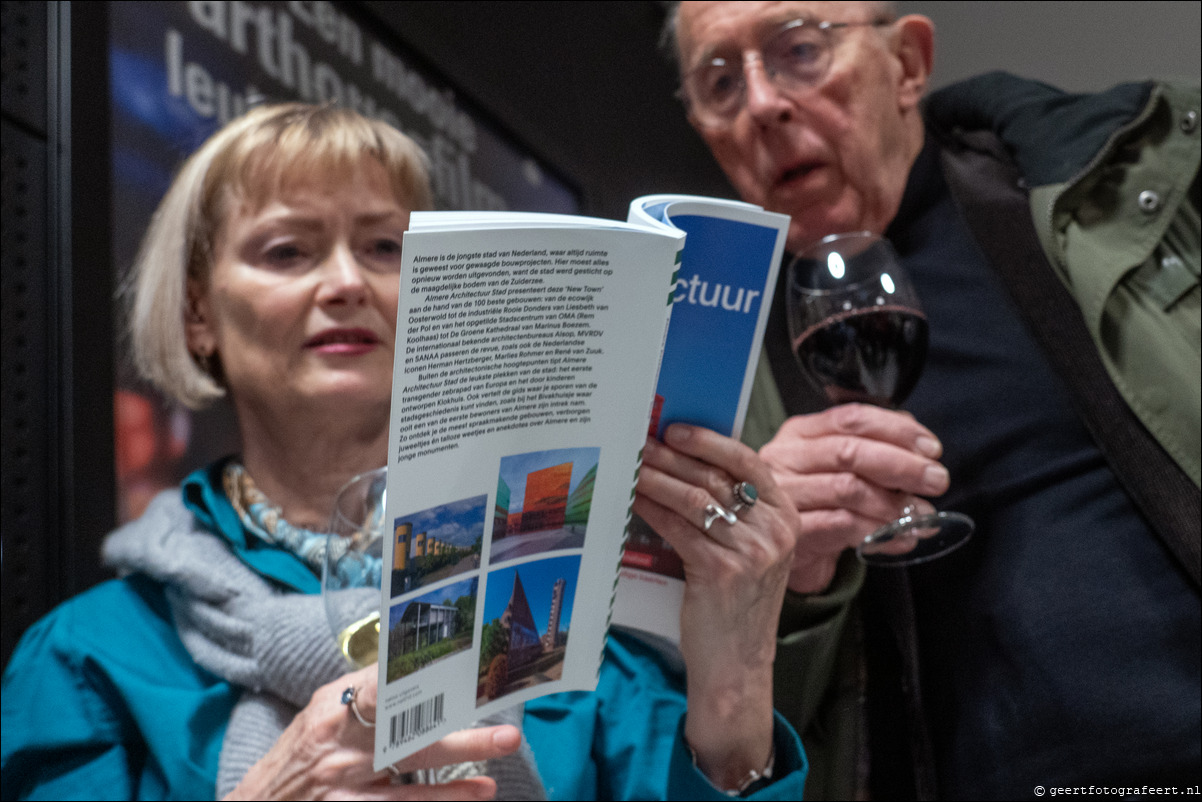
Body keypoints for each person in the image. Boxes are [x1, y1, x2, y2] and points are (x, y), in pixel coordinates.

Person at [0, 103, 809, 800]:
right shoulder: (87, 659)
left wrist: (737, 680)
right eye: (288, 250)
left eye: (387, 248)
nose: (347, 282)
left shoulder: (566, 605)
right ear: (197, 314)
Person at [666, 1, 1200, 799]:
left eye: (798, 51)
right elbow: (730, 744)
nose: (762, 103)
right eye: (718, 80)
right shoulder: (718, 376)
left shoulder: (1114, 194)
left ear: (909, 64)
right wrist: (785, 578)